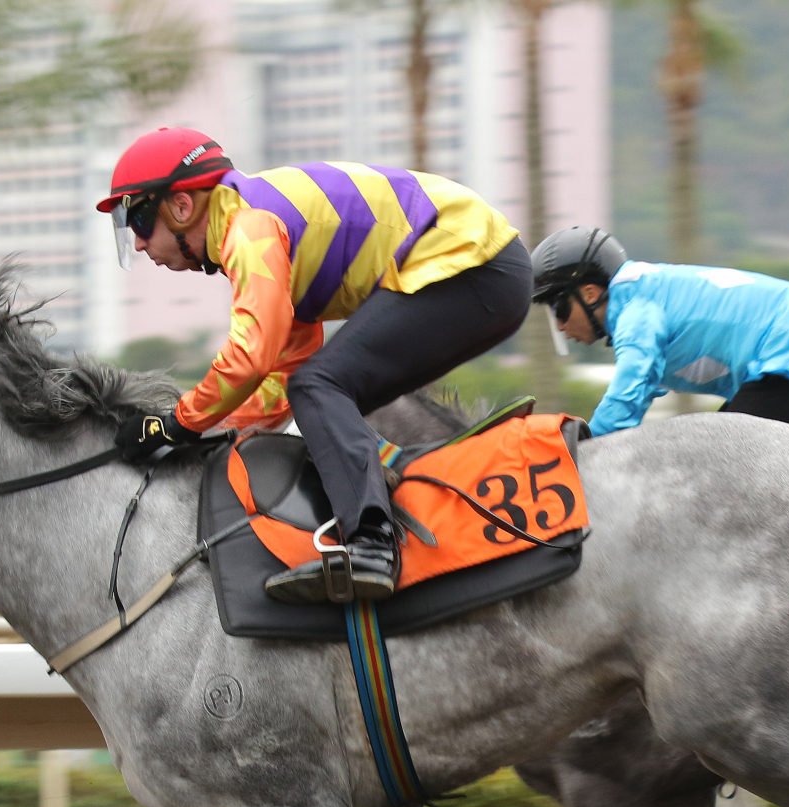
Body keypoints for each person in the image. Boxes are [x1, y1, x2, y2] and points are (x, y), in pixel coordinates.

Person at [99, 126, 532, 604]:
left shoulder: (250, 228)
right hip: (485, 269)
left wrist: (177, 423)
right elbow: (281, 373)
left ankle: (371, 545)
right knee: (320, 391)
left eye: (137, 219)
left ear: (181, 207)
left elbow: (251, 353)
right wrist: (212, 434)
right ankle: (385, 505)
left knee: (320, 388)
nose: (137, 244)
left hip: (473, 264)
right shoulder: (260, 228)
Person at [529, 225, 789, 437]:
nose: (560, 324)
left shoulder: (636, 314)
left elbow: (625, 398)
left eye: (559, 308)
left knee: (719, 462)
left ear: (589, 293)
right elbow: (637, 398)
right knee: (718, 450)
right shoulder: (639, 295)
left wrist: (583, 451)